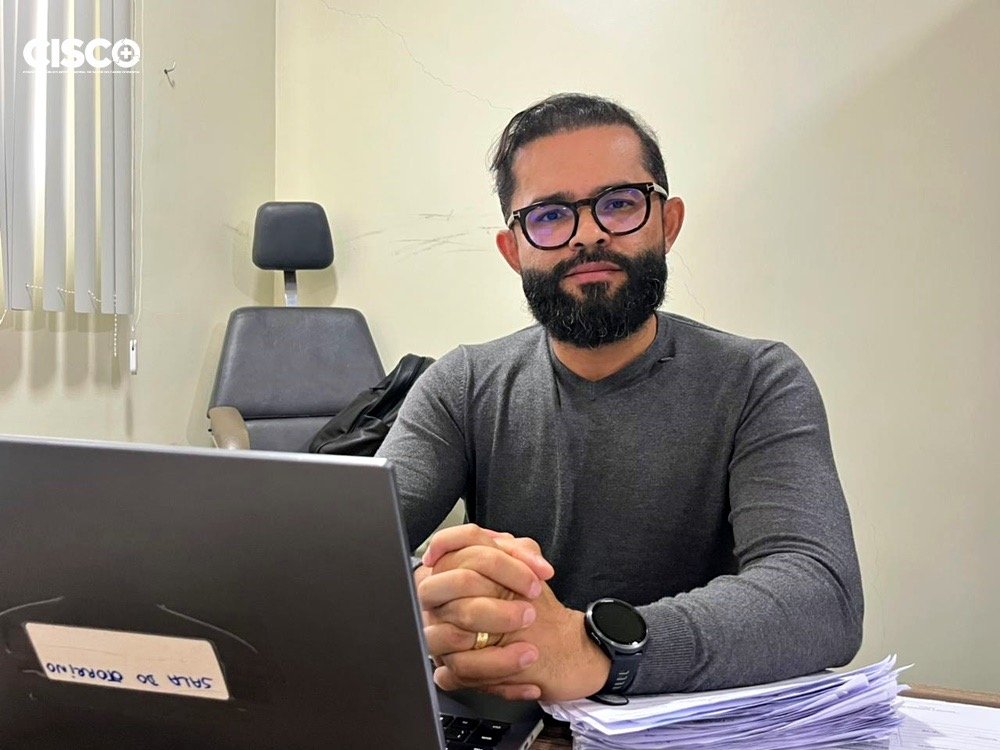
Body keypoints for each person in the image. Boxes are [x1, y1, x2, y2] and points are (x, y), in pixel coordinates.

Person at [376, 93, 863, 703]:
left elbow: (821, 596)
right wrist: (442, 600)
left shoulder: (758, 380)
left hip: (687, 725)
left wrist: (592, 647)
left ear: (668, 222)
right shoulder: (463, 383)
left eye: (619, 203)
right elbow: (343, 550)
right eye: (550, 215)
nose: (588, 235)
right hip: (518, 716)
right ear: (514, 250)